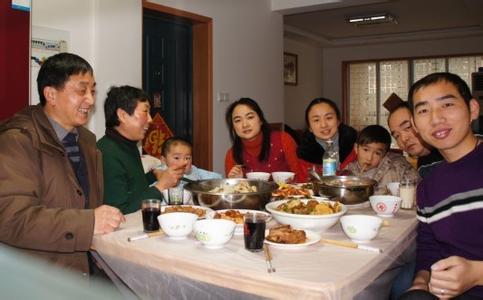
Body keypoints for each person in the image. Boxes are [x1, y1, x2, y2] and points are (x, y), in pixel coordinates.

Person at [0, 53, 125, 275]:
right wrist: (88, 223)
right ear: (51, 94)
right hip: (37, 279)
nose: (91, 100)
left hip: (82, 273)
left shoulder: (87, 142)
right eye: (81, 90)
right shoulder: (17, 141)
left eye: (93, 91)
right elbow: (11, 219)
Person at [399, 72, 483, 300]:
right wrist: (419, 283)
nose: (436, 119)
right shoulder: (428, 187)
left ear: (473, 109)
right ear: (416, 125)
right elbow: (429, 250)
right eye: (424, 110)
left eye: (447, 104)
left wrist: (477, 274)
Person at [97, 86, 185, 214]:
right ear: (122, 115)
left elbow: (132, 187)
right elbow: (119, 210)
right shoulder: (106, 153)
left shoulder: (128, 145)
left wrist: (154, 175)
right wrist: (161, 186)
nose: (150, 119)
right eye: (145, 112)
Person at [224, 97, 302, 181]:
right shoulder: (231, 155)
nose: (245, 125)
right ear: (233, 127)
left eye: (250, 117)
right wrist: (237, 182)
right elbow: (235, 191)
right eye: (238, 120)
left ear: (261, 120)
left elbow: (302, 177)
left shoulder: (284, 140)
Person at [343, 125, 420, 193]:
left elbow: (416, 185)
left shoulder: (397, 168)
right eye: (365, 150)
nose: (369, 158)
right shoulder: (348, 172)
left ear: (385, 155)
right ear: (356, 148)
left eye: (377, 153)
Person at [297, 97, 358, 181]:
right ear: (310, 127)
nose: (323, 125)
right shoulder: (304, 154)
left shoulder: (357, 145)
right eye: (316, 120)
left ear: (338, 121)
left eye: (329, 118)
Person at [156, 137, 222, 204]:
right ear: (164, 161)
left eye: (187, 158)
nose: (184, 162)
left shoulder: (194, 171)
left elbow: (216, 179)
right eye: (176, 158)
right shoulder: (160, 175)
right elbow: (153, 196)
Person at [387, 101, 444, 178]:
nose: (403, 139)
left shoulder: (448, 154)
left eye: (407, 127)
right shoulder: (423, 163)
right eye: (397, 136)